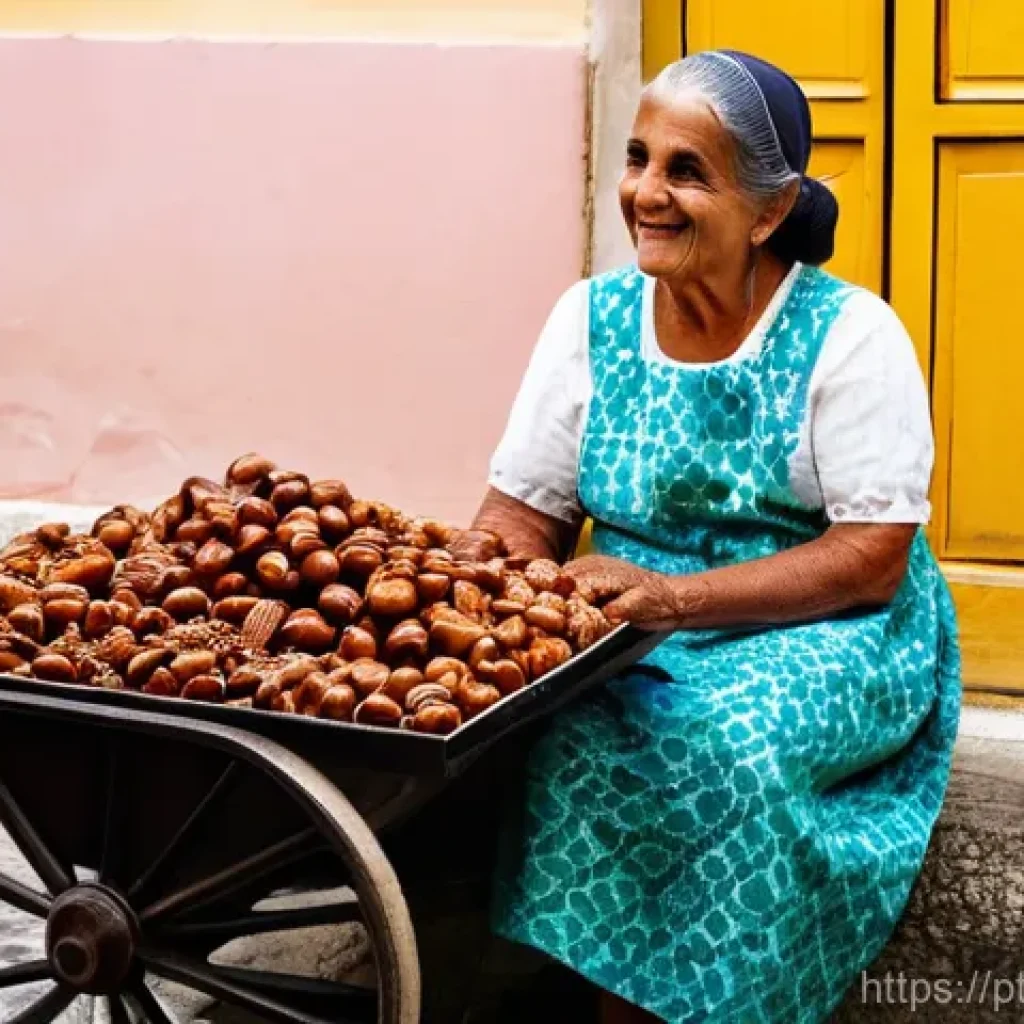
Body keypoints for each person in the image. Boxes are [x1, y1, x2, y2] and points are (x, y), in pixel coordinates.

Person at [451, 50, 961, 1023]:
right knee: (572, 736)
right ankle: (613, 1003)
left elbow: (868, 557)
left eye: (687, 171)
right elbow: (526, 514)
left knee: (726, 746)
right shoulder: (588, 321)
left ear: (770, 211)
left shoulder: (848, 337)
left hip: (822, 623)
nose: (646, 192)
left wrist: (677, 599)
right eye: (639, 158)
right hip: (629, 616)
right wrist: (465, 586)